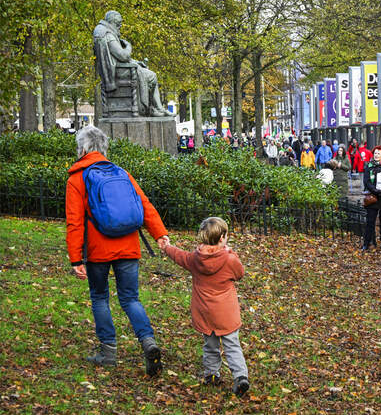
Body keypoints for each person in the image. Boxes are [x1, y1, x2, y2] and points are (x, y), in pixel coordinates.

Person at [65, 126, 167, 375]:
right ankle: (148, 342)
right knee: (131, 298)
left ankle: (108, 352)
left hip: (98, 249)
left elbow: (75, 222)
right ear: (104, 147)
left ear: (82, 149)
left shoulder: (77, 178)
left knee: (100, 297)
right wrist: (159, 234)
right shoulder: (121, 172)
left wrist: (75, 258)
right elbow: (144, 204)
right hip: (129, 245)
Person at [161, 217, 249, 396]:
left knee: (210, 344)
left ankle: (212, 374)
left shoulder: (195, 258)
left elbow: (180, 256)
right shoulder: (229, 259)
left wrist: (166, 247)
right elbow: (239, 274)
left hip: (204, 312)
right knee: (232, 345)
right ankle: (240, 376)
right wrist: (230, 252)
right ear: (222, 237)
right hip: (226, 312)